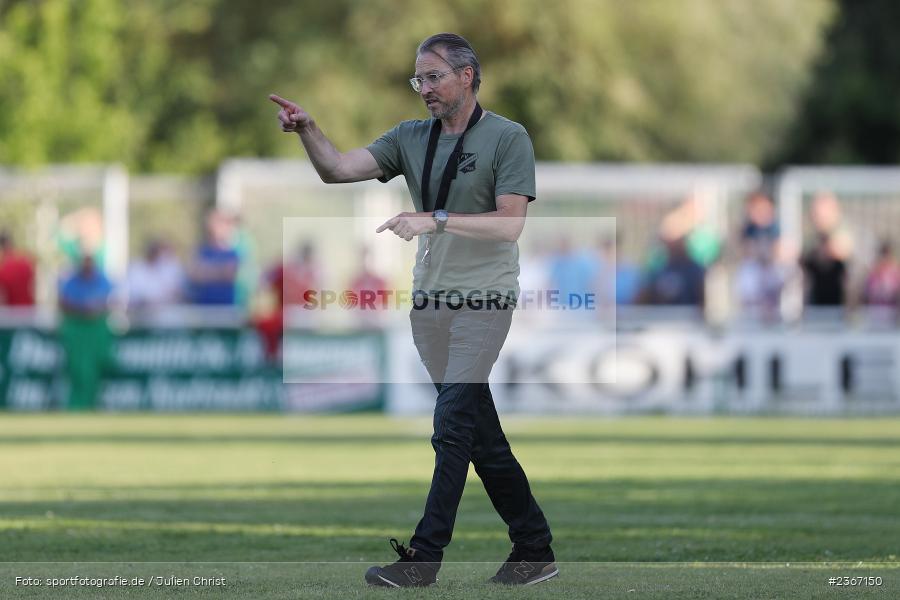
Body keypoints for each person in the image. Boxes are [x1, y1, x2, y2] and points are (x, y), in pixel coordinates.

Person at [270, 33, 556, 587]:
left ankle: (423, 560)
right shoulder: (409, 136)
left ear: (467, 76)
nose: (423, 88)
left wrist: (435, 219)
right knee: (478, 435)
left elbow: (509, 224)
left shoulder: (508, 137)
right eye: (418, 79)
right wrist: (309, 130)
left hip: (484, 301)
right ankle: (534, 547)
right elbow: (336, 169)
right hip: (429, 305)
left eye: (433, 77)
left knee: (451, 427)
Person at [58, 255, 114, 410]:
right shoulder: (72, 282)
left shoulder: (102, 281)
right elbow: (64, 303)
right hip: (77, 332)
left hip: (97, 332)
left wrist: (94, 309)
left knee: (100, 367)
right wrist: (83, 309)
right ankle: (77, 403)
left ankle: (96, 402)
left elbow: (110, 302)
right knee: (77, 370)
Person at [188, 210, 240, 305]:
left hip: (225, 306)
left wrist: (206, 271)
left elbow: (229, 274)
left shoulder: (232, 253)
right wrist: (220, 270)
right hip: (203, 306)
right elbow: (195, 275)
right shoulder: (201, 251)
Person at [126, 239, 184, 310]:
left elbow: (174, 292)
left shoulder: (166, 268)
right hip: (140, 309)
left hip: (163, 309)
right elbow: (135, 293)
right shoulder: (136, 268)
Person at [0, 231, 35, 306]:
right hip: (29, 308)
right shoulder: (25, 261)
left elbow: (2, 297)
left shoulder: (3, 268)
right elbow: (32, 286)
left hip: (11, 310)